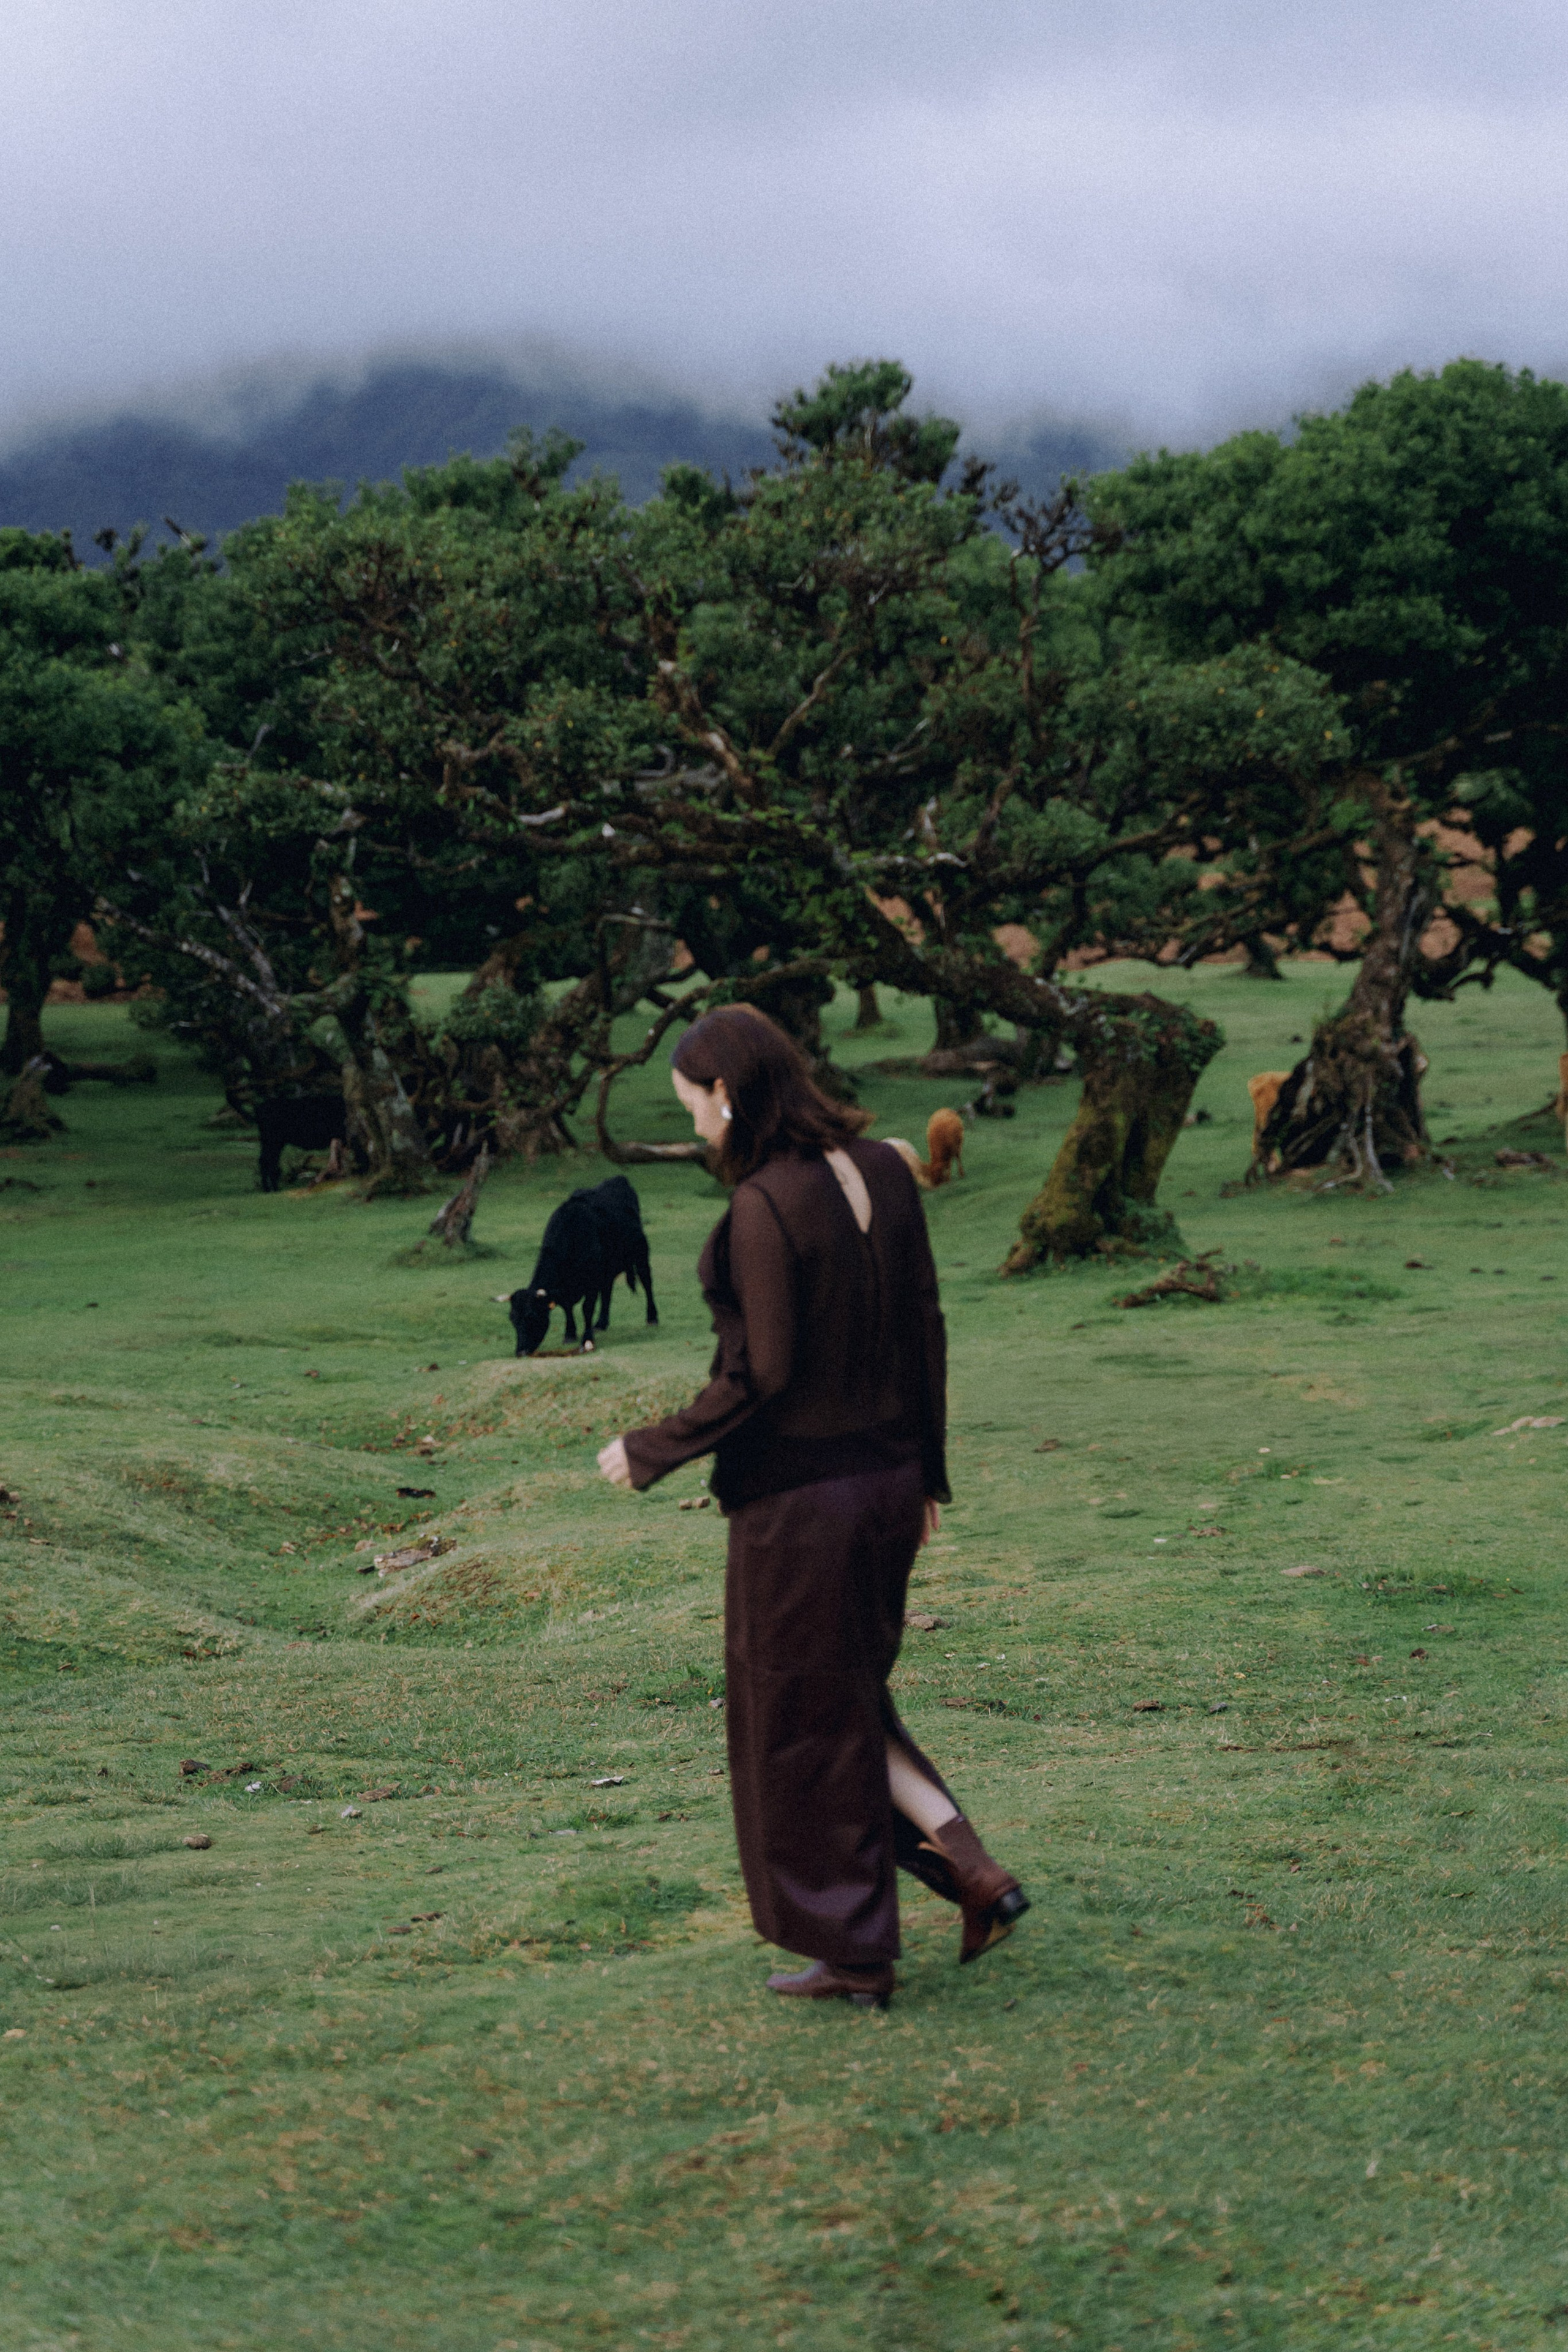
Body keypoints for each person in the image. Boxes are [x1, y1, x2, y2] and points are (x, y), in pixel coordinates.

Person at [597, 1006, 1028, 2010]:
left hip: (801, 1509)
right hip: (883, 1491)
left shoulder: (764, 1204)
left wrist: (651, 1448)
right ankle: (968, 1878)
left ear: (732, 1095)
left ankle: (861, 1948)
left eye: (697, 1107)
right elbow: (927, 1330)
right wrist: (926, 1475)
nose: (699, 1128)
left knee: (798, 1724)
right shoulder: (885, 1164)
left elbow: (763, 1372)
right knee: (843, 1706)